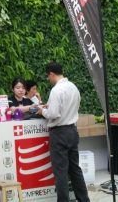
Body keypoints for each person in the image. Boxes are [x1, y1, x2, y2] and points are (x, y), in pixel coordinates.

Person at [38, 62, 90, 202]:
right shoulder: (73, 87)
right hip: (72, 130)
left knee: (61, 172)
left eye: (48, 76)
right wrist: (50, 107)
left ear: (51, 74)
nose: (48, 79)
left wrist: (42, 111)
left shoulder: (56, 90)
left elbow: (53, 114)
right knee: (75, 169)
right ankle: (84, 199)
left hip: (59, 133)